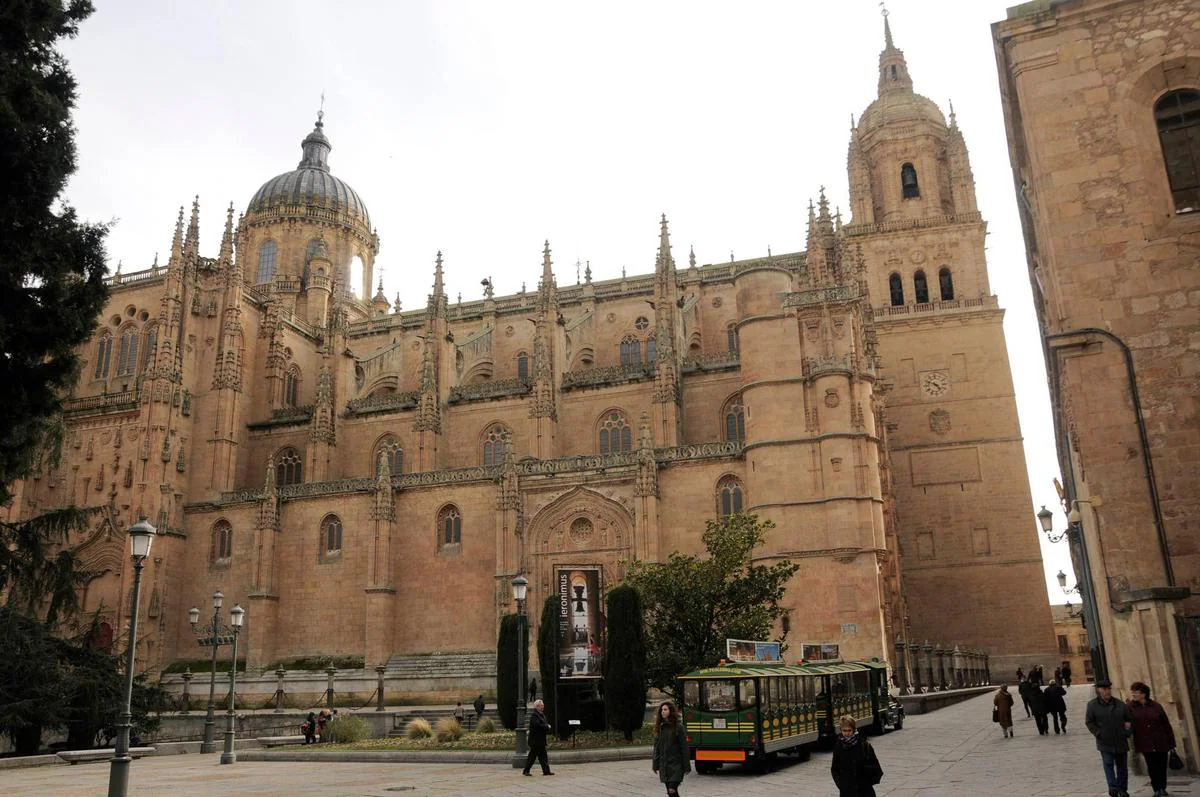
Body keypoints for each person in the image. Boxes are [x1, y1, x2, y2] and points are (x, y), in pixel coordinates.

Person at [1127, 681, 1176, 797]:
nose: (1133, 695)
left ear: (1143, 694)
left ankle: (1162, 788)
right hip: (1145, 742)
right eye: (1132, 692)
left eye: (1136, 692)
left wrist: (1171, 742)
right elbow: (1127, 722)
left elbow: (1166, 724)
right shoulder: (1130, 708)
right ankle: (1156, 789)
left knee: (1162, 765)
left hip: (1161, 741)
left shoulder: (1156, 706)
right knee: (1152, 766)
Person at [1086, 679, 1133, 797]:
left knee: (1122, 767)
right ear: (1099, 690)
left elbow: (1128, 719)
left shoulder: (1120, 704)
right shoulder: (1092, 705)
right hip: (1105, 741)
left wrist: (1127, 731)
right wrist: (1098, 733)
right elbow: (1089, 722)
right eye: (1104, 689)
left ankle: (1122, 789)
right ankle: (1113, 788)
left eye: (1108, 689)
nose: (1106, 691)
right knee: (1108, 764)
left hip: (1120, 740)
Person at [831, 715, 883, 797]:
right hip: (847, 791)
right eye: (844, 731)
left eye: (849, 730)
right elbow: (834, 769)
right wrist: (841, 785)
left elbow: (877, 768)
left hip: (864, 791)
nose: (847, 733)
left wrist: (867, 782)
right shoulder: (838, 747)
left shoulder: (864, 745)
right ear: (841, 730)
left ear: (854, 730)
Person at [652, 701, 691, 797]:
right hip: (664, 766)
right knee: (671, 792)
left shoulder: (678, 727)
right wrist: (655, 763)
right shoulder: (660, 727)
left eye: (665, 709)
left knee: (672, 790)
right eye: (662, 710)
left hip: (676, 765)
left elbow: (684, 748)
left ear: (671, 711)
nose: (663, 712)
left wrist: (686, 766)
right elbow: (657, 748)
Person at [521, 698, 554, 777]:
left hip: (540, 740)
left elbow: (542, 724)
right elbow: (537, 725)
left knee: (543, 757)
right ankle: (526, 770)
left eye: (543, 706)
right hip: (535, 741)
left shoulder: (541, 715)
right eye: (541, 706)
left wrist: (546, 726)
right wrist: (546, 726)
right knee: (532, 757)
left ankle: (546, 771)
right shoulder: (534, 716)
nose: (543, 707)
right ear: (537, 707)